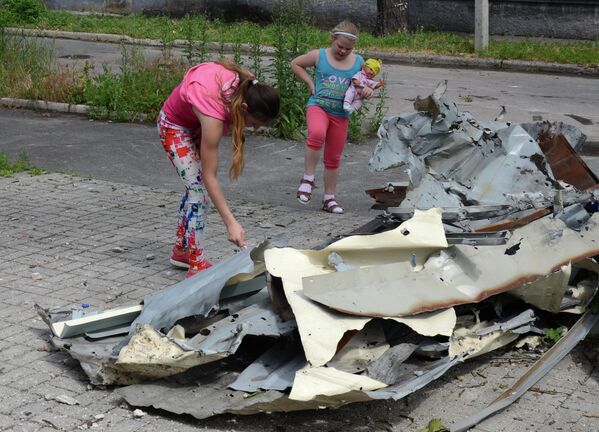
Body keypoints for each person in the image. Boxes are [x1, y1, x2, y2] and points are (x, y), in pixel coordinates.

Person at [158, 60, 280, 278]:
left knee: (194, 189)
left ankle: (182, 251)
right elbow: (209, 176)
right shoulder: (213, 114)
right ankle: (196, 265)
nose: (253, 128)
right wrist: (231, 223)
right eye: (253, 123)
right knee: (199, 192)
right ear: (244, 108)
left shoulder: (246, 87)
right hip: (174, 127)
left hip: (195, 122)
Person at [291, 21, 371, 215]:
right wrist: (310, 82)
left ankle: (329, 199)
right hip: (318, 106)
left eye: (348, 48)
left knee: (333, 158)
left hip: (340, 114)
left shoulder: (359, 62)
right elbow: (295, 63)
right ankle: (308, 179)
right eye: (340, 46)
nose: (343, 51)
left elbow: (363, 84)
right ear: (332, 39)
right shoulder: (320, 55)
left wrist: (366, 90)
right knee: (317, 133)